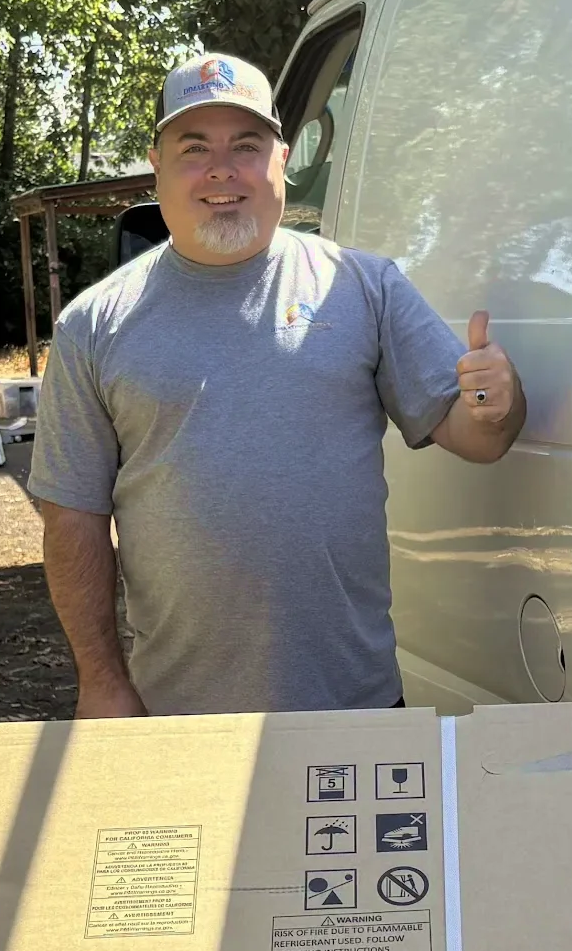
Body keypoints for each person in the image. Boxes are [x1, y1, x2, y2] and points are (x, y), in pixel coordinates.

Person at [27, 51, 524, 716]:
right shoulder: (93, 326)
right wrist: (101, 680)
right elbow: (72, 518)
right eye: (194, 148)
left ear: (282, 160)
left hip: (356, 710)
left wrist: (496, 404)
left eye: (246, 145)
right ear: (156, 164)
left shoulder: (364, 287)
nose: (222, 170)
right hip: (177, 716)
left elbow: (480, 438)